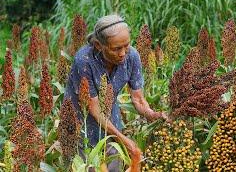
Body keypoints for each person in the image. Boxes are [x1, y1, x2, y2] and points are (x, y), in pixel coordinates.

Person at [64, 14, 168, 171]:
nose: (123, 53)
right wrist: (125, 141)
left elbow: (138, 99)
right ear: (99, 45)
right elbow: (94, 109)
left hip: (111, 125)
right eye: (116, 48)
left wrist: (153, 115)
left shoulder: (132, 56)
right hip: (81, 128)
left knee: (114, 167)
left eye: (126, 45)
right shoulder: (84, 61)